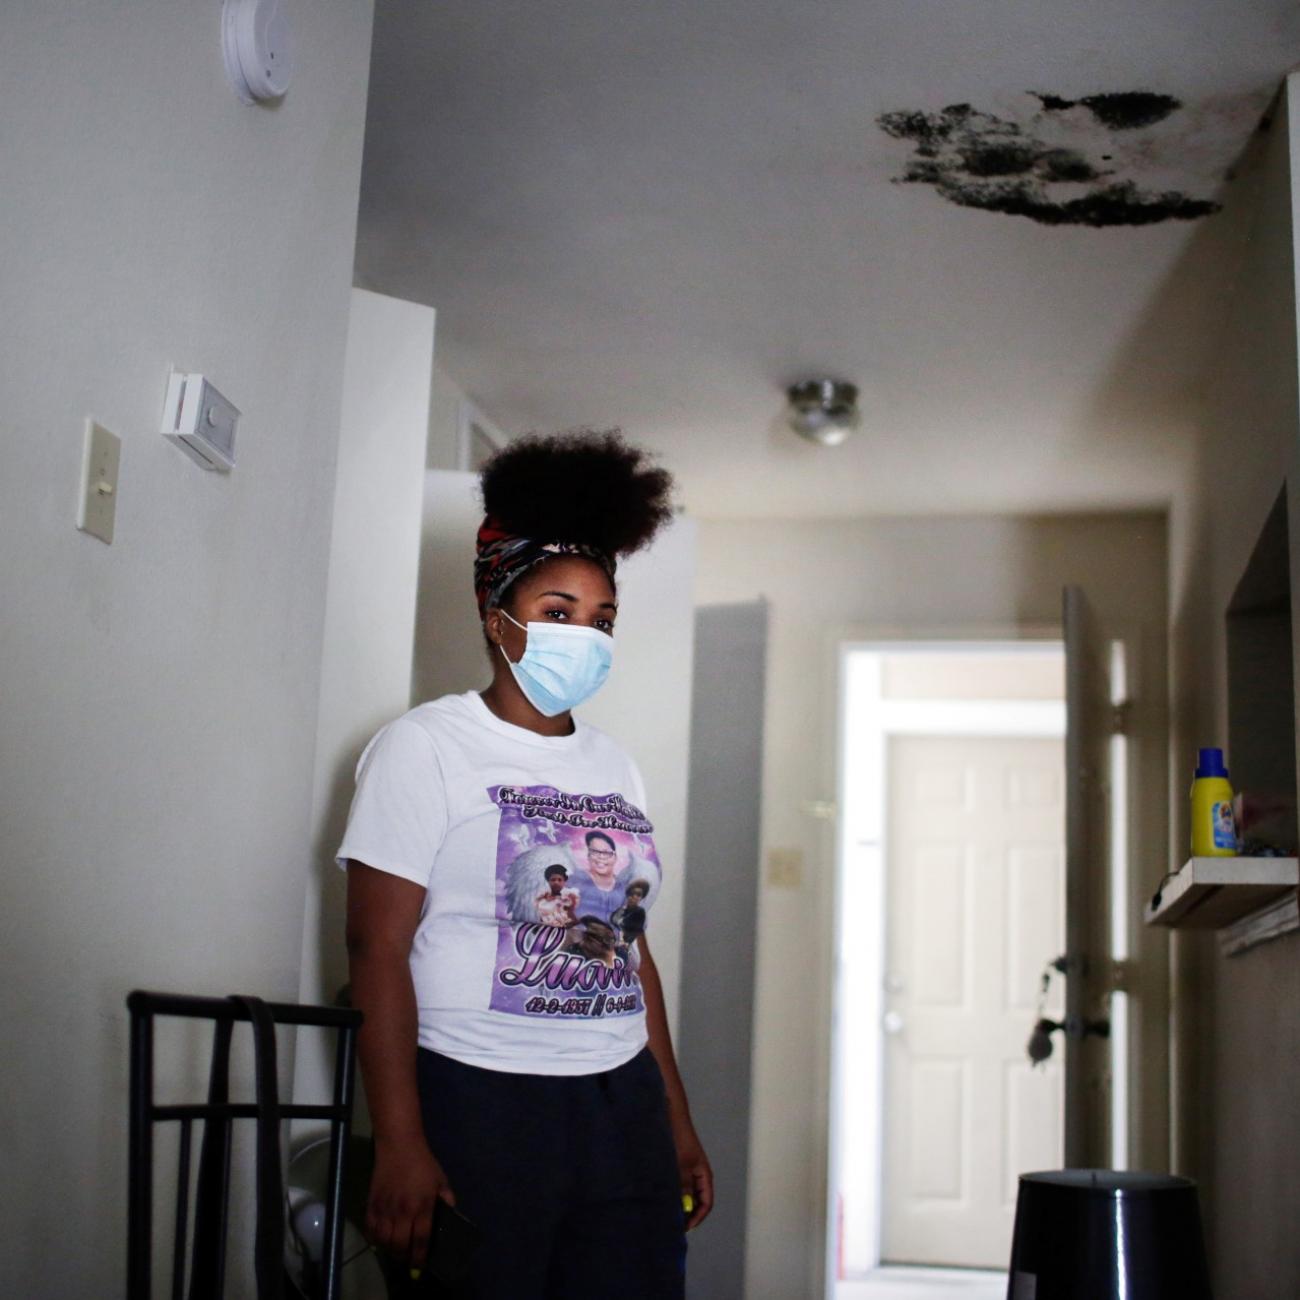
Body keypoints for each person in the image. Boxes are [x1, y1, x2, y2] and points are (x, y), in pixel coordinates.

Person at [338, 431, 712, 1299]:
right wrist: (399, 1140)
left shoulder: (614, 766)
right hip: (479, 1096)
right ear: (494, 611)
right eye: (558, 610)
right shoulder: (423, 747)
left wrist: (675, 1119)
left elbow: (629, 951)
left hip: (620, 1100)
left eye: (602, 618)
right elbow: (375, 952)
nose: (585, 635)